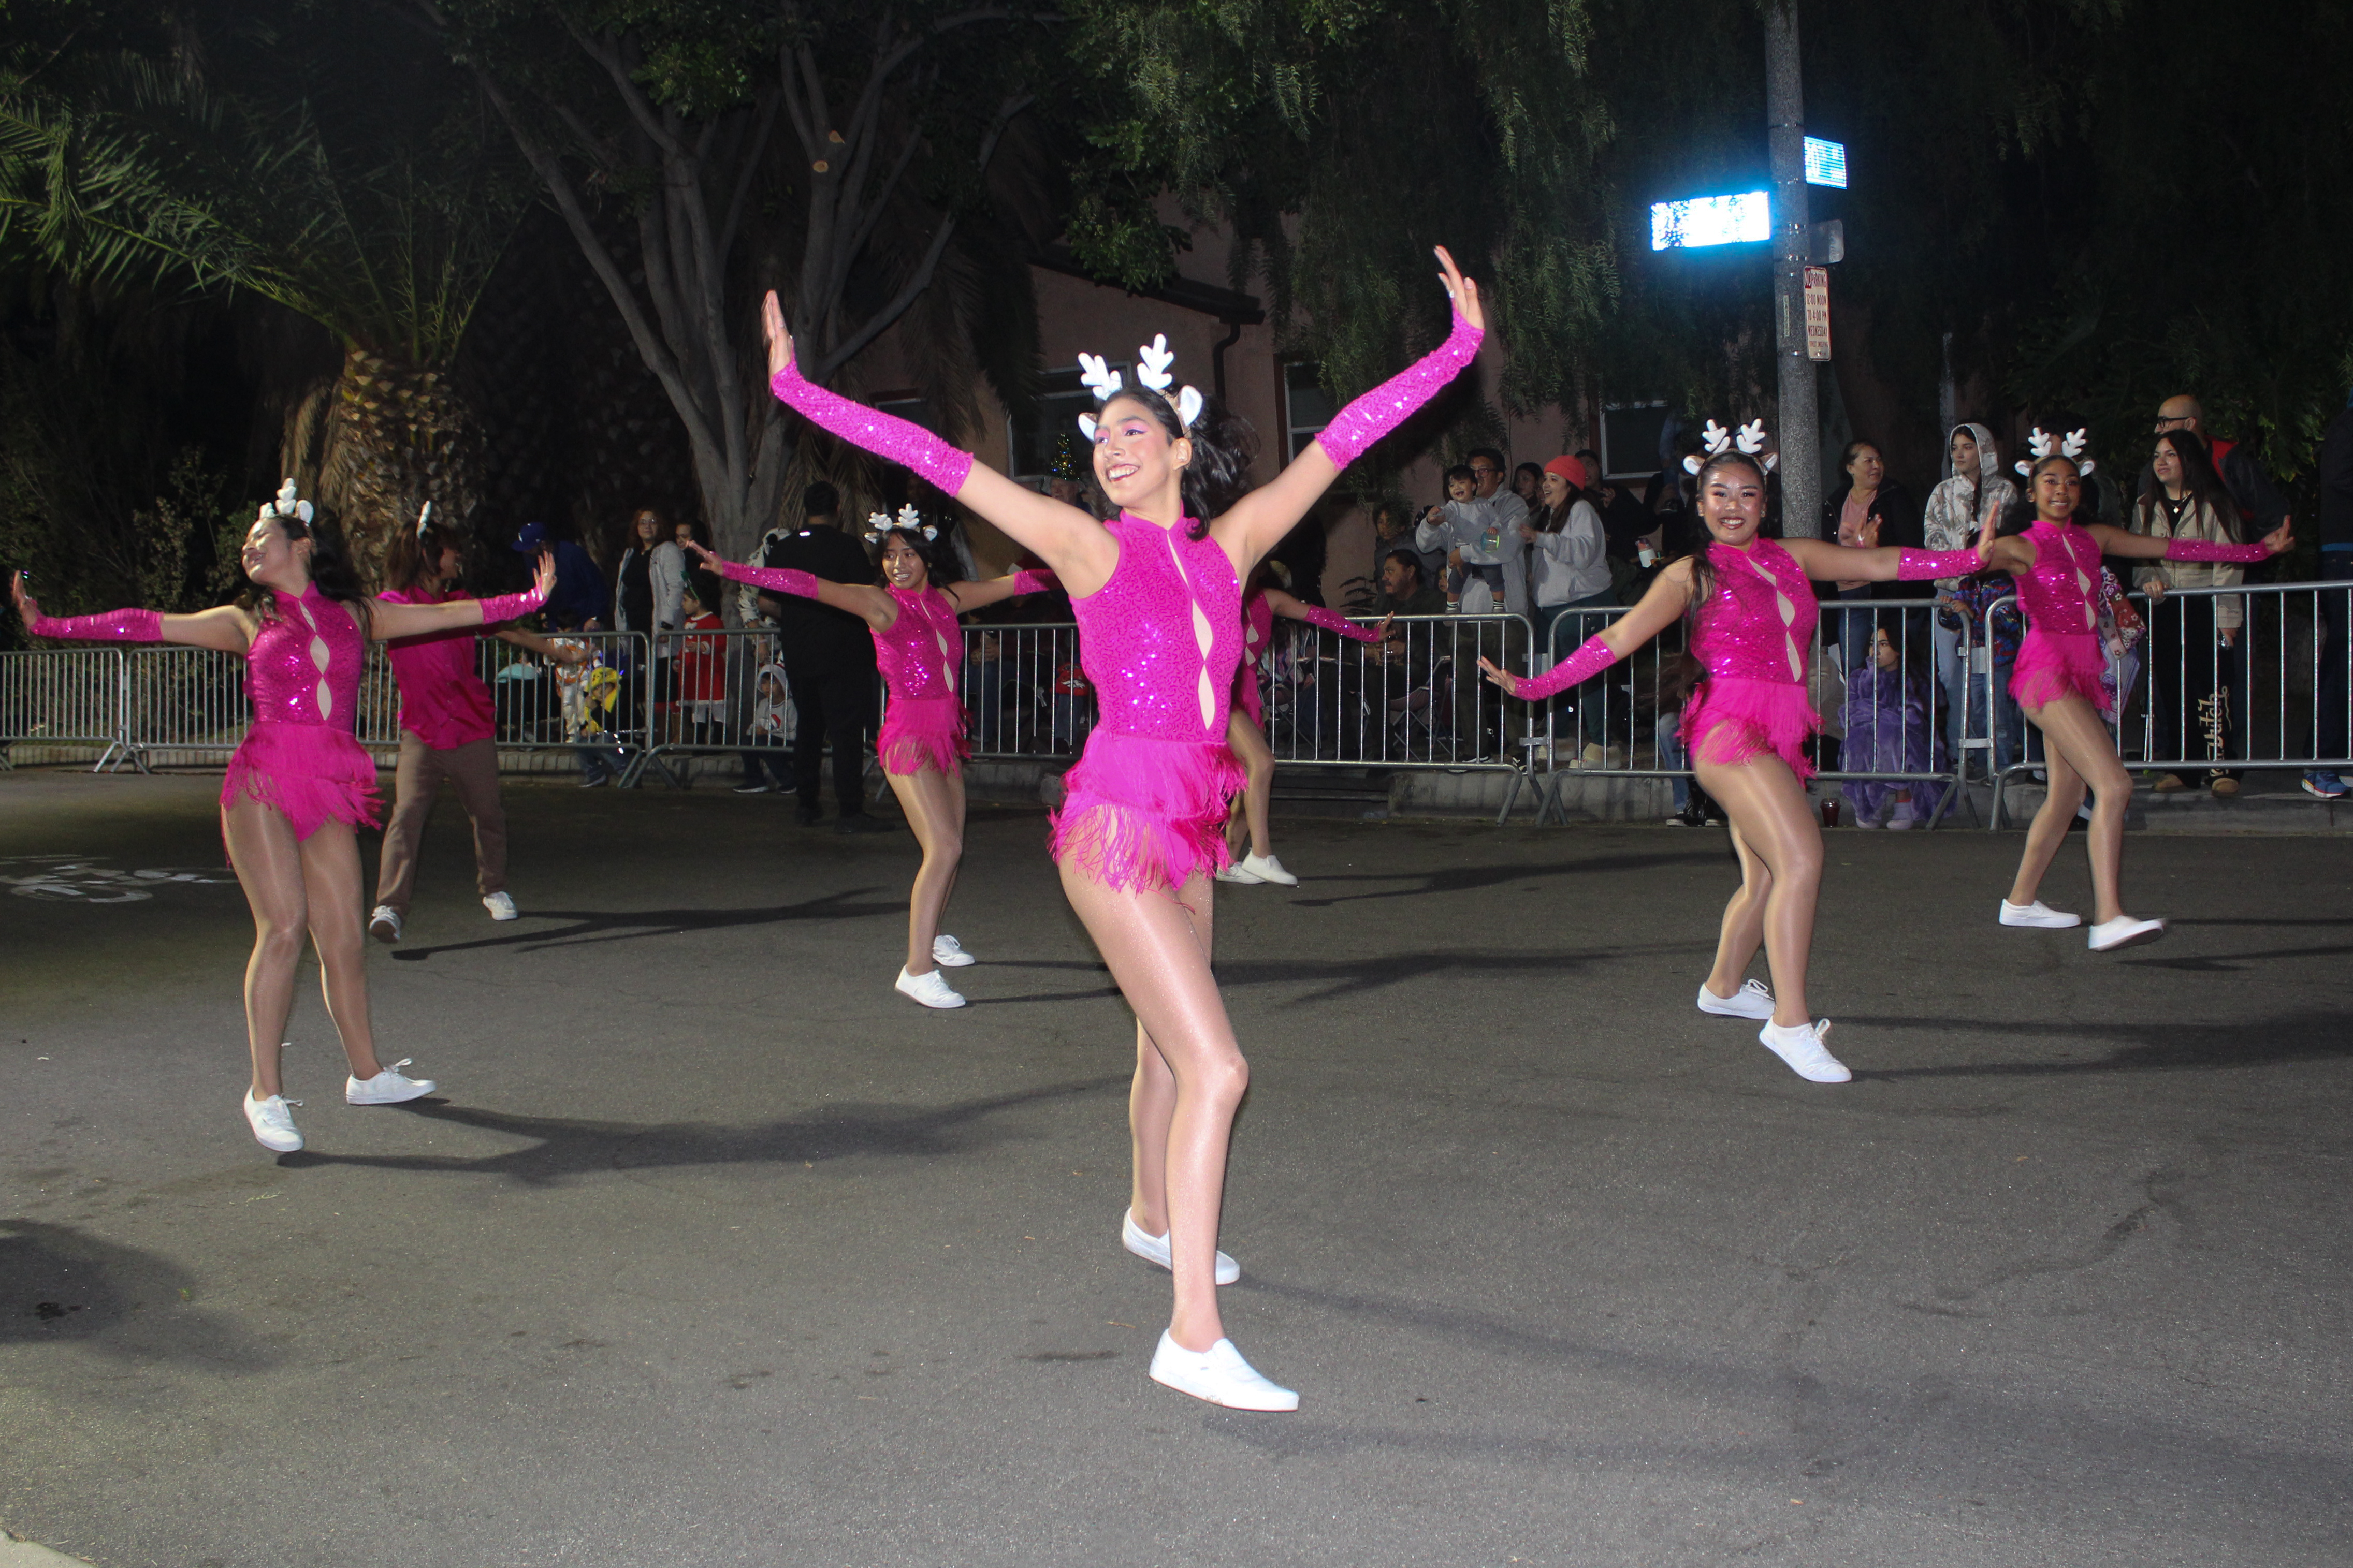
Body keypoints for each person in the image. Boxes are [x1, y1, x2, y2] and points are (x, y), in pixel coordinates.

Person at [759, 248, 1487, 1410]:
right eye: (1102, 432)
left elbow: (1340, 441)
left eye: (1137, 427)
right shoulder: (1085, 545)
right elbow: (937, 460)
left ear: (1183, 448)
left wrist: (1452, 352)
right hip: (1110, 824)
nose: (1113, 442)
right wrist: (801, 393)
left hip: (1191, 821)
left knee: (1160, 1048)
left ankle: (1153, 1213)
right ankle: (1191, 1333)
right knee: (1220, 1063)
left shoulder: (1233, 545)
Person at [11, 481, 551, 1152]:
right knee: (287, 926)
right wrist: (49, 625)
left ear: (301, 545)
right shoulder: (246, 622)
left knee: (344, 941)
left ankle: (366, 1074)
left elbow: (452, 615)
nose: (247, 548)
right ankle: (264, 1091)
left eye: (258, 538)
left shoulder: (357, 614)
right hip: (264, 781)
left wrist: (528, 600)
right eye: (245, 543)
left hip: (329, 783)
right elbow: (144, 621)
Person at [1478, 420, 1990, 1084]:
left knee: (1767, 876)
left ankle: (1723, 986)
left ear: (1763, 503)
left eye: (1746, 494)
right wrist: (1534, 685)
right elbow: (1616, 640)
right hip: (1725, 728)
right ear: (1698, 504)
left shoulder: (1792, 557)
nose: (1732, 505)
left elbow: (1879, 562)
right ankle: (1790, 1025)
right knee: (1802, 856)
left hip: (1775, 729)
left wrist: (1967, 558)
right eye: (1718, 493)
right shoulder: (1689, 573)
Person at [696, 508, 1053, 1006]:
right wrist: (733, 570)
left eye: (908, 554)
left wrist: (1080, 567)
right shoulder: (880, 604)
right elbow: (805, 584)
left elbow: (1016, 585)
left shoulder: (949, 599)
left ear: (927, 556)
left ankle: (931, 938)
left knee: (952, 845)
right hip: (908, 737)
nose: (899, 564)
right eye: (890, 555)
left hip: (946, 735)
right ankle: (916, 968)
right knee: (944, 848)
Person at [1980, 434, 2288, 949]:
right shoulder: (2021, 545)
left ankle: (2019, 901)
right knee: (2115, 785)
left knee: (2066, 793)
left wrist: (2255, 549)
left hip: (2077, 672)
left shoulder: (2092, 538)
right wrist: (1976, 550)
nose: (2061, 489)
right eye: (2049, 481)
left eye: (2070, 481)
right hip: (2045, 670)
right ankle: (2108, 916)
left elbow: (2175, 548)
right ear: (2030, 492)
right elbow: (1966, 564)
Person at [368, 512, 586, 944]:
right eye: (451, 548)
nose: (458, 555)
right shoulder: (392, 603)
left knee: (488, 813)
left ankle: (495, 887)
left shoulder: (463, 601)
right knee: (406, 815)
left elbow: (507, 629)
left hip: (470, 725)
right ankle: (390, 906)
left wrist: (557, 651)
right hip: (421, 731)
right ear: (430, 555)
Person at [1217, 570, 1388, 886]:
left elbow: (1320, 616)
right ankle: (1261, 855)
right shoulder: (1211, 593)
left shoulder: (1269, 599)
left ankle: (1226, 860)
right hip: (1218, 695)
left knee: (1249, 779)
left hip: (1246, 696)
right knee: (1262, 764)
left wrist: (1368, 636)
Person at [758, 482, 887, 830]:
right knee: (845, 733)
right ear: (839, 507)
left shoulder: (784, 549)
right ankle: (849, 808)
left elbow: (766, 602)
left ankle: (807, 803)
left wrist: (799, 618)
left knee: (809, 730)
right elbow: (867, 596)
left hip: (800, 651)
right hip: (844, 652)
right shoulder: (848, 547)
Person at [2131, 429, 2252, 797]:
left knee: (2212, 685)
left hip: (2205, 603)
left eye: (2170, 455)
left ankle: (2221, 765)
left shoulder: (2216, 503)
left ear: (2189, 460)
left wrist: (2227, 617)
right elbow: (2137, 556)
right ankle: (2184, 767)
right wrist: (2149, 577)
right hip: (2166, 606)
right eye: (2157, 456)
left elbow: (2229, 563)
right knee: (2171, 685)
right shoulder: (2144, 505)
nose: (2162, 463)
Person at [1921, 424, 2013, 764]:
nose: (1959, 454)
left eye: (1967, 447)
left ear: (1984, 449)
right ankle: (1964, 750)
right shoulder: (1942, 492)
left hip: (1995, 595)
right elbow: (1932, 539)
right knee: (1951, 674)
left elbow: (2014, 537)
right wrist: (1963, 566)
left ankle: (1998, 753)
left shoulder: (2005, 490)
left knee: (1994, 676)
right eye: (1955, 448)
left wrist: (1986, 564)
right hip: (1950, 593)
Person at [1521, 456, 1616, 763]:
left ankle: (1604, 746)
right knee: (1554, 673)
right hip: (1553, 610)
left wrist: (1542, 540)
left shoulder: (1581, 510)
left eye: (1554, 479)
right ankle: (1560, 738)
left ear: (1571, 484)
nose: (1545, 485)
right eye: (1545, 478)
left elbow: (1584, 554)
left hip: (1582, 606)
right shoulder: (1548, 516)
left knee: (1586, 673)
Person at [1818, 440, 1923, 680]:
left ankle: (1894, 716)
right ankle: (1861, 716)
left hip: (1886, 593)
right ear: (1850, 467)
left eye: (1879, 460)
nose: (1876, 466)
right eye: (1868, 461)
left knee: (1894, 666)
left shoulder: (1893, 496)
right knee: (1854, 665)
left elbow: (1911, 545)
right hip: (1849, 594)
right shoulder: (1834, 504)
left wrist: (1876, 547)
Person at [1838, 612, 1938, 829]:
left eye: (1883, 644)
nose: (1876, 650)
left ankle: (1904, 801)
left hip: (1908, 735)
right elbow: (1852, 709)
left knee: (1891, 734)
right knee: (1861, 736)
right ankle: (1872, 803)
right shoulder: (1860, 677)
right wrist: (1871, 678)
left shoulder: (1913, 678)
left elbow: (1916, 714)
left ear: (1899, 649)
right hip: (1872, 729)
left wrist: (1884, 718)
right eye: (1873, 644)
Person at [2151, 395, 2291, 537]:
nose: (2157, 429)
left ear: (2189, 424)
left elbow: (2272, 514)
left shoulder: (2230, 460)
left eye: (2164, 422)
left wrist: (2252, 550)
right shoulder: (2159, 467)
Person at [2307, 391, 2353, 799]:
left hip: (2343, 556)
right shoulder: (2347, 424)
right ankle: (2323, 760)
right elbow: (2339, 478)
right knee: (2342, 659)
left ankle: (2336, 758)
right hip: (2345, 558)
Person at [612, 506, 685, 747]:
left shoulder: (667, 551)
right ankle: (637, 738)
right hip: (636, 632)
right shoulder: (631, 554)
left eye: (652, 521)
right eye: (642, 522)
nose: (647, 526)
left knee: (661, 688)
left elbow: (675, 587)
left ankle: (663, 740)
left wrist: (666, 623)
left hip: (657, 632)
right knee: (634, 687)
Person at [512, 520, 607, 632]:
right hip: (556, 624)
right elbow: (538, 589)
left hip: (585, 622)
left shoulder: (573, 554)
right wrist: (543, 613)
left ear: (543, 545)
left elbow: (597, 585)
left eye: (530, 548)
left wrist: (596, 617)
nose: (527, 552)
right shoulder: (531, 560)